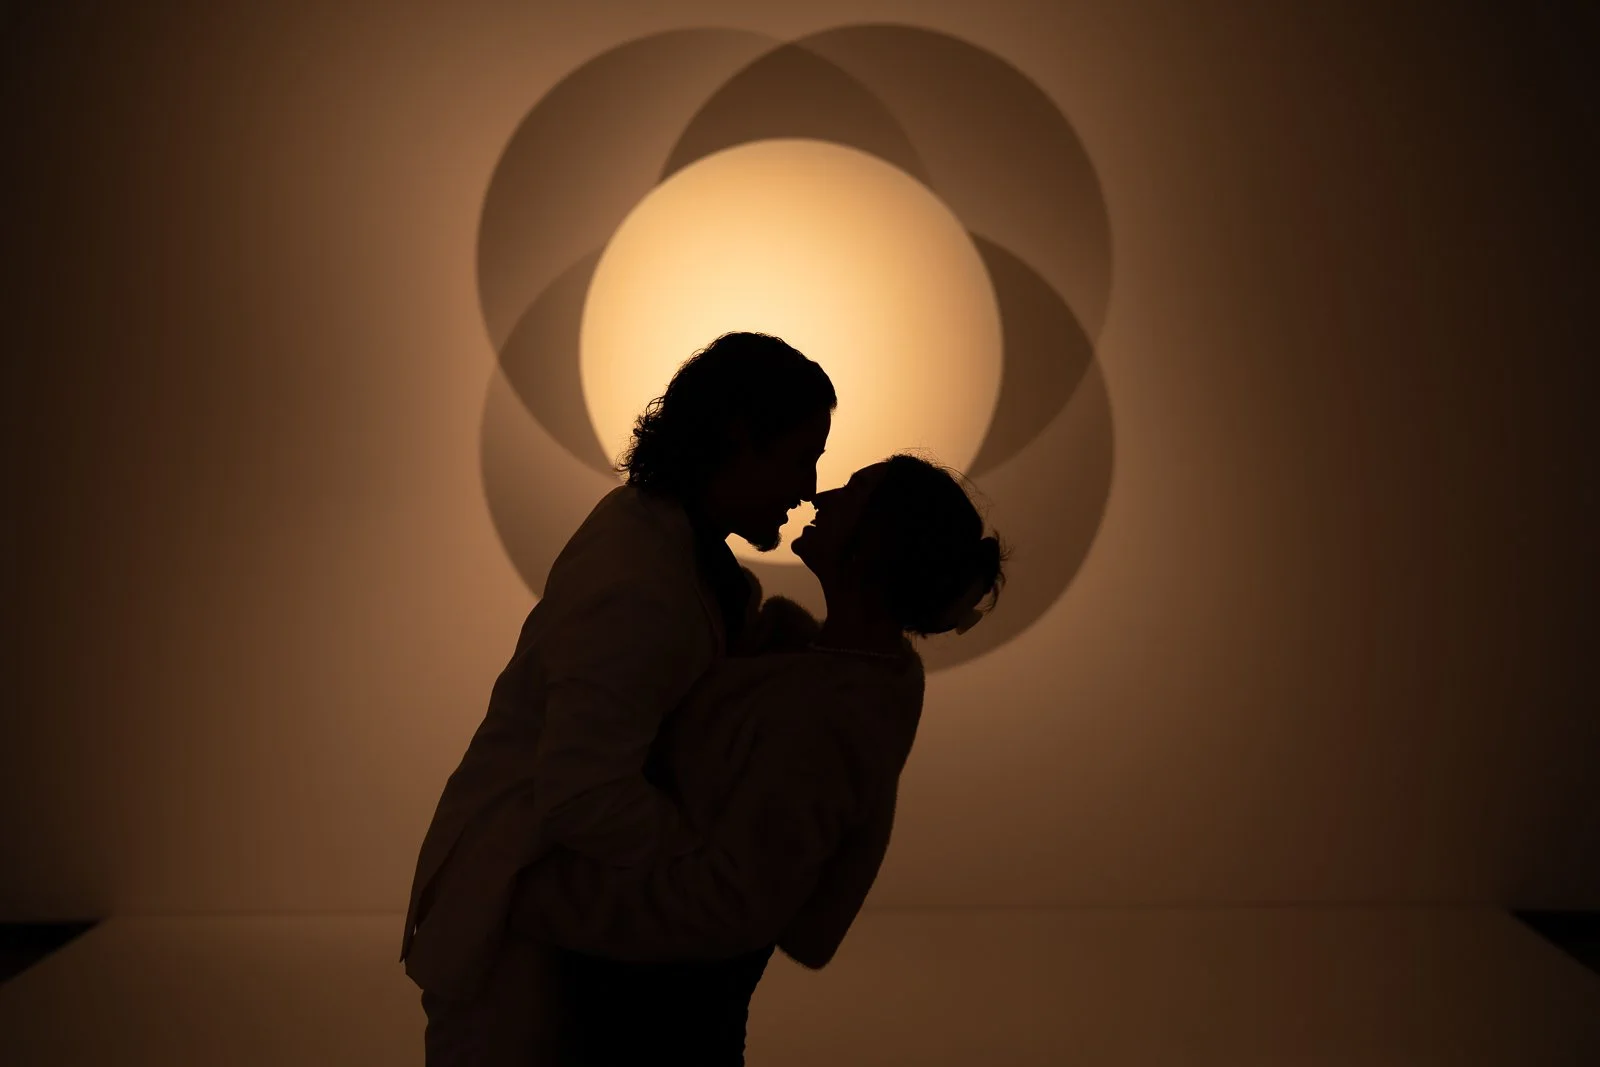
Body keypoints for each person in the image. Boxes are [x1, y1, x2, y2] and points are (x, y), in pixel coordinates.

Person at [403, 332, 835, 1065]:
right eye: (800, 457)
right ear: (738, 439)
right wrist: (710, 861)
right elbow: (581, 792)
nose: (812, 487)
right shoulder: (638, 582)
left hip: (551, 914)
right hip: (518, 930)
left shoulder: (667, 542)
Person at [512, 452, 1008, 1065]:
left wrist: (545, 899)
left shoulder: (827, 717)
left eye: (851, 492)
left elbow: (731, 905)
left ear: (877, 543)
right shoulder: (857, 677)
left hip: (658, 1016)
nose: (822, 498)